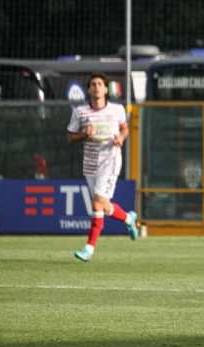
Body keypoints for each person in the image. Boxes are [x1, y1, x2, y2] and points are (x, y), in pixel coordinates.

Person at [67, 73, 138, 262]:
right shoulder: (80, 112)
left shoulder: (117, 109)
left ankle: (89, 249)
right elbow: (71, 136)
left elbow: (124, 128)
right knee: (104, 207)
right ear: (89, 89)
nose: (97, 87)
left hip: (111, 159)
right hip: (90, 163)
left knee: (97, 203)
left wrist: (121, 138)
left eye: (100, 84)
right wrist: (84, 135)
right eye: (93, 84)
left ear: (106, 89)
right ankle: (128, 219)